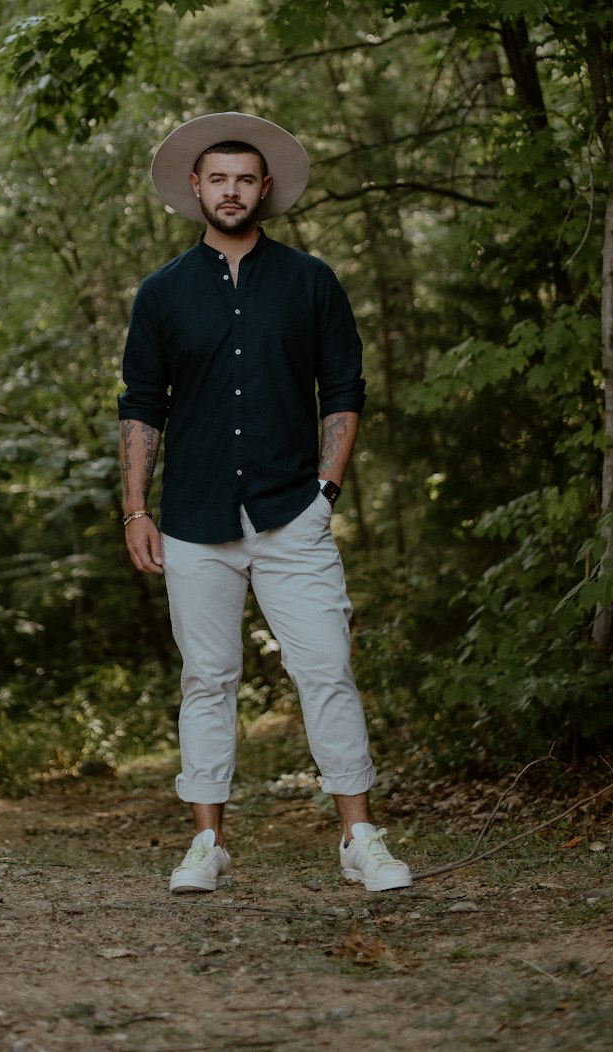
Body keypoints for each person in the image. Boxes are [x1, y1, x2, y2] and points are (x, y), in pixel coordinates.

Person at [118, 111, 411, 895]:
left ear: (265, 187)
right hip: (192, 521)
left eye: (245, 178)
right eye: (218, 178)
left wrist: (326, 490)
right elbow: (142, 405)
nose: (232, 190)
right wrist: (135, 509)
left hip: (293, 515)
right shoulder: (162, 295)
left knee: (328, 671)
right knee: (207, 680)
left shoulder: (311, 281)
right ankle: (206, 847)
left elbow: (344, 390)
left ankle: (360, 837)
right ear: (196, 189)